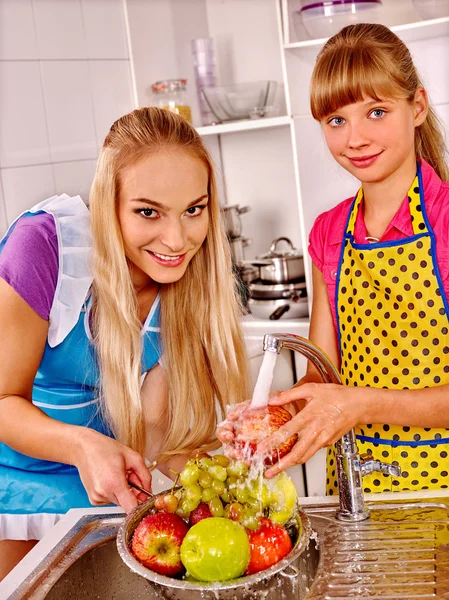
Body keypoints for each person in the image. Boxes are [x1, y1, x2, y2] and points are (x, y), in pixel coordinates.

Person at [0, 107, 250, 579]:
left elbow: (159, 436)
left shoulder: (187, 284)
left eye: (193, 210)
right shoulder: (47, 247)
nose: (177, 239)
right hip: (12, 488)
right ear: (108, 202)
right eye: (148, 212)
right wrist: (80, 445)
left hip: (101, 488)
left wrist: (227, 471)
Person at [218, 23, 449, 497]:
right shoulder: (329, 232)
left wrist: (358, 405)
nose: (356, 138)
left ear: (418, 107)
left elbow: (347, 400)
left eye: (377, 112)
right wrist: (272, 419)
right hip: (357, 487)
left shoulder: (444, 223)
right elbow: (323, 373)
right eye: (336, 121)